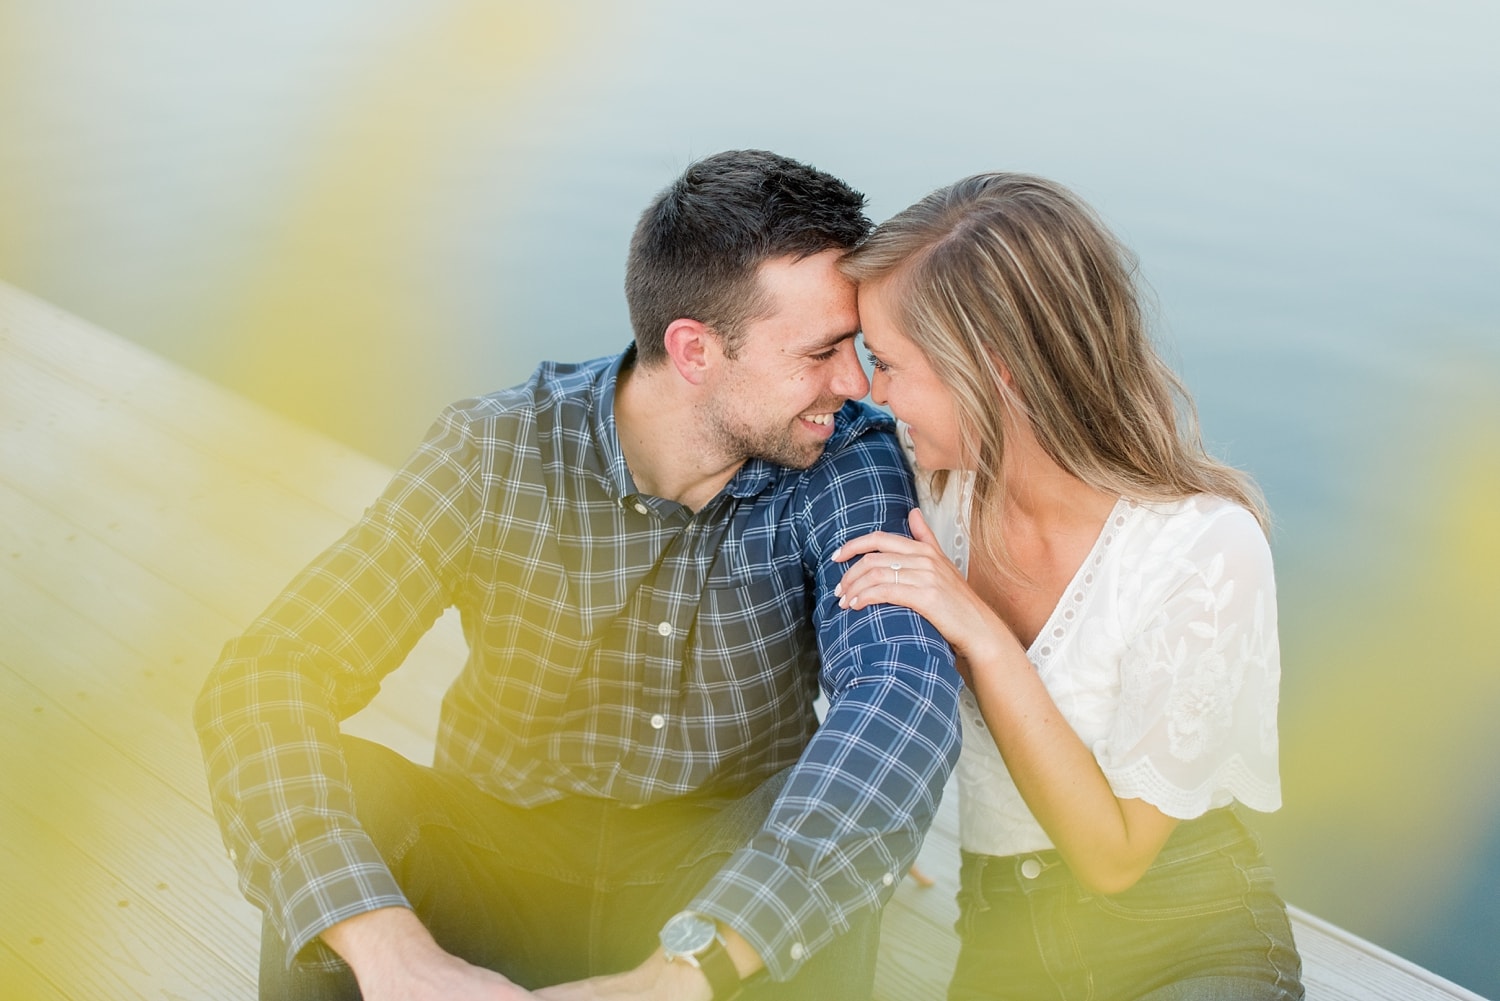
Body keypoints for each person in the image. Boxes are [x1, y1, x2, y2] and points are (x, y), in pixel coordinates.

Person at [193, 149, 962, 1001]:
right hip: (493, 859)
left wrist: (684, 972)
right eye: (821, 351)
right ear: (696, 350)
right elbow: (267, 674)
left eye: (854, 347)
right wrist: (391, 950)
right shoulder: (494, 450)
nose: (856, 383)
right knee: (343, 798)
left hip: (717, 881)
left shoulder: (846, 457)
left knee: (826, 838)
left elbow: (899, 688)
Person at [831, 173, 1304, 1000]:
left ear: (998, 373)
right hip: (1002, 949)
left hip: (1181, 937)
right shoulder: (926, 488)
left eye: (890, 364)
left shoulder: (1202, 548)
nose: (871, 392)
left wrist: (977, 629)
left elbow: (1116, 858)